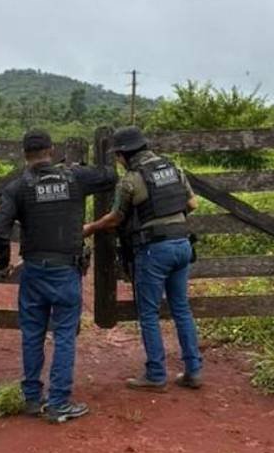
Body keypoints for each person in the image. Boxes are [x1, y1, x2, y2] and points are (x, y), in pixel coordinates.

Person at [0, 129, 117, 423]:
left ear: (24, 154)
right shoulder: (74, 179)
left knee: (32, 334)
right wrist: (76, 168)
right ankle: (59, 403)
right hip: (65, 269)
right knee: (64, 336)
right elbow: (110, 175)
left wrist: (3, 261)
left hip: (33, 269)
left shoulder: (18, 187)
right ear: (51, 149)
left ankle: (33, 398)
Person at [83, 126, 203, 392]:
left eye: (117, 155)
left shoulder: (131, 180)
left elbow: (116, 217)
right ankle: (193, 370)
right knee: (181, 309)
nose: (117, 159)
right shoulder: (174, 169)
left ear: (125, 153)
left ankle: (156, 374)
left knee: (148, 313)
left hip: (155, 249)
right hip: (183, 244)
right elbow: (193, 204)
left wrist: (90, 228)